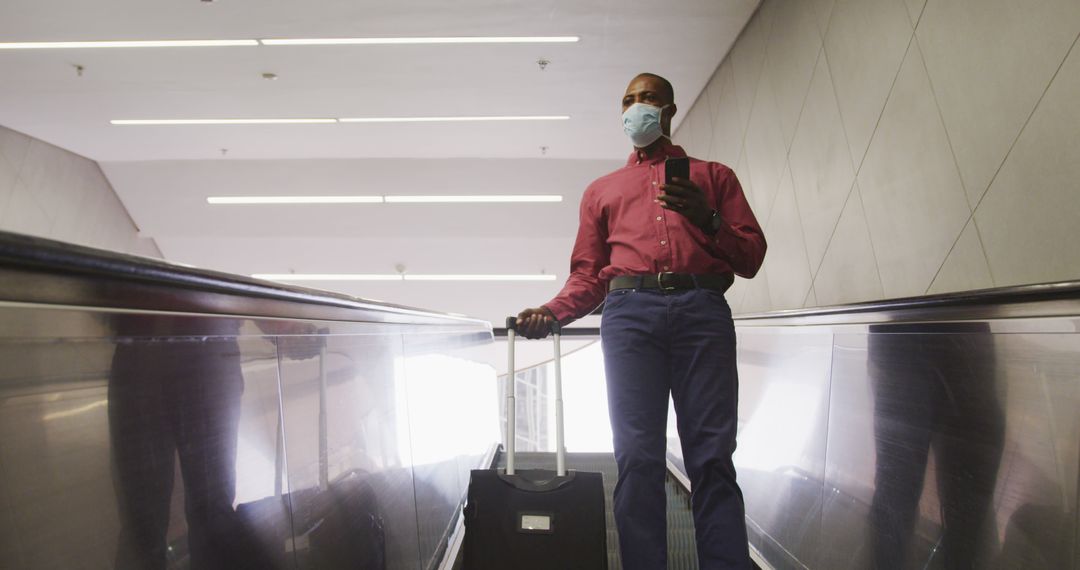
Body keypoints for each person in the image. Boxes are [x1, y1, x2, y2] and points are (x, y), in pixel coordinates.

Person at [515, 73, 766, 569]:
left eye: (647, 98)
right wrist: (553, 311)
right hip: (629, 317)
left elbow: (751, 257)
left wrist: (708, 217)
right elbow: (588, 276)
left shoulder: (715, 176)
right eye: (628, 100)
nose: (636, 108)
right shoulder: (601, 191)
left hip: (703, 312)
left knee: (712, 457)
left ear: (669, 109)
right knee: (636, 459)